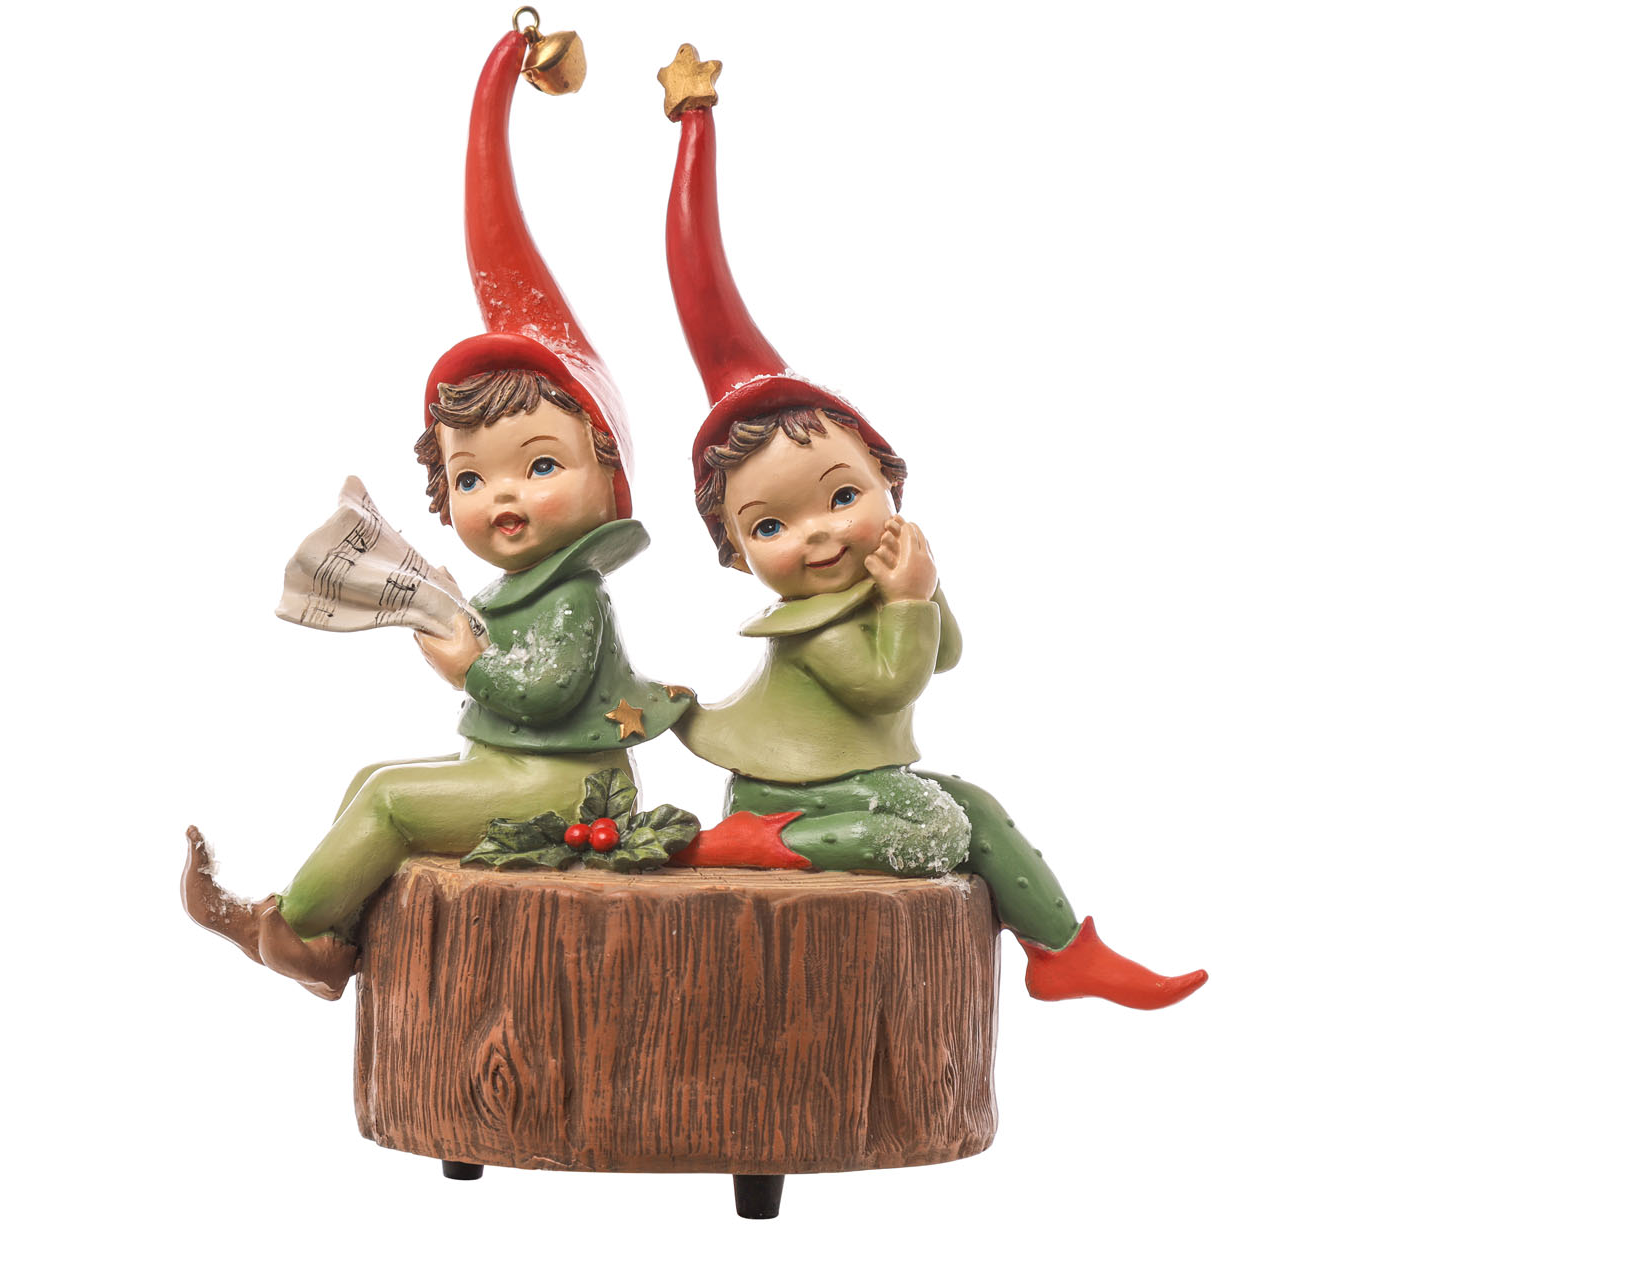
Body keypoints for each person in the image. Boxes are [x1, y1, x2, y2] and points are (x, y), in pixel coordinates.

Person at [655, 45, 1204, 1009]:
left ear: (888, 481)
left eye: (841, 497)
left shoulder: (877, 578)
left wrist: (924, 588)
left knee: (973, 805)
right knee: (937, 831)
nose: (819, 535)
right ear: (738, 555)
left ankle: (1063, 951)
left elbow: (946, 655)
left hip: (849, 782)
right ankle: (750, 842)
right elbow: (887, 682)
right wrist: (906, 601)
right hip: (794, 795)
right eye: (771, 525)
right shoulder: (813, 622)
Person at [182, 29, 685, 1000]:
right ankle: (328, 944)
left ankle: (289, 927)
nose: (504, 496)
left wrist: (468, 663)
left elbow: (545, 691)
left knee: (395, 804)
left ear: (606, 474)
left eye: (540, 465)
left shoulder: (575, 596)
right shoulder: (525, 586)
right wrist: (461, 608)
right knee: (373, 780)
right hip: (516, 768)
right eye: (472, 478)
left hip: (567, 789)